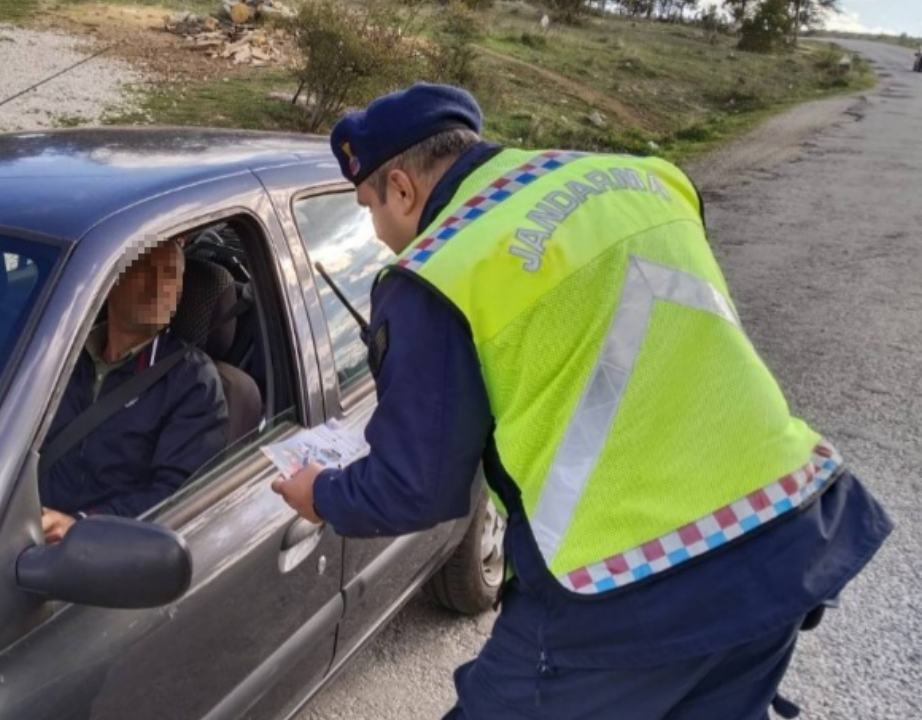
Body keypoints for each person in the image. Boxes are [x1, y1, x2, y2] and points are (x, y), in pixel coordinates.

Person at [271, 83, 893, 719]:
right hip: (788, 528)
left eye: (369, 208)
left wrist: (319, 494)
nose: (378, 234)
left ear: (400, 188)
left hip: (631, 586)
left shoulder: (439, 269)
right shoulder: (644, 177)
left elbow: (415, 487)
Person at [40, 240, 228, 543]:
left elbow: (177, 496)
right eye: (143, 268)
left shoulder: (192, 380)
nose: (158, 285)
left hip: (108, 549)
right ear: (111, 280)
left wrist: (79, 525)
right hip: (24, 529)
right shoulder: (64, 355)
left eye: (170, 275)